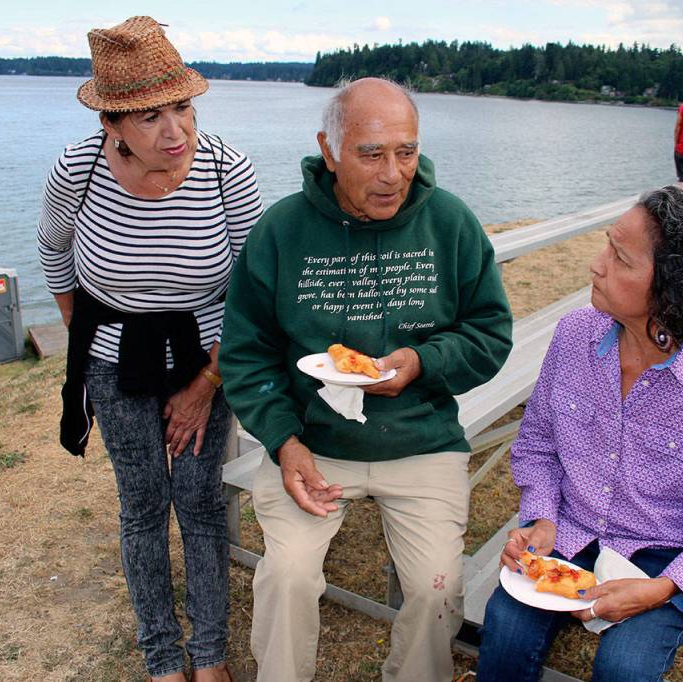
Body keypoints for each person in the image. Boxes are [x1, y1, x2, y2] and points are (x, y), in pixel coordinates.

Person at [218, 77, 513, 682]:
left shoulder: (451, 222)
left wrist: (424, 362)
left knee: (436, 591)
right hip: (312, 446)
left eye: (406, 152)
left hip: (421, 442)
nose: (393, 173)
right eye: (371, 154)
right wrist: (284, 441)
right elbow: (247, 355)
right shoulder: (281, 230)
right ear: (329, 150)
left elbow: (490, 333)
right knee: (288, 574)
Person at [36, 16, 262, 682]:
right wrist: (87, 330)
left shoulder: (226, 167)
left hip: (207, 355)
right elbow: (53, 250)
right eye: (149, 117)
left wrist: (203, 386)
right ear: (112, 125)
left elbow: (254, 284)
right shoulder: (77, 169)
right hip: (115, 361)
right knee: (142, 505)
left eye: (183, 108)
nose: (176, 133)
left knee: (198, 501)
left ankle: (210, 652)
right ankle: (162, 657)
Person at [475, 186, 683, 681]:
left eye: (619, 257)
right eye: (606, 245)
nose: (596, 264)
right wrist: (543, 519)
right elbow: (539, 447)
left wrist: (664, 588)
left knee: (624, 668)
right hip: (573, 530)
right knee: (505, 631)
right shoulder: (575, 336)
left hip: (669, 552)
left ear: (671, 291)